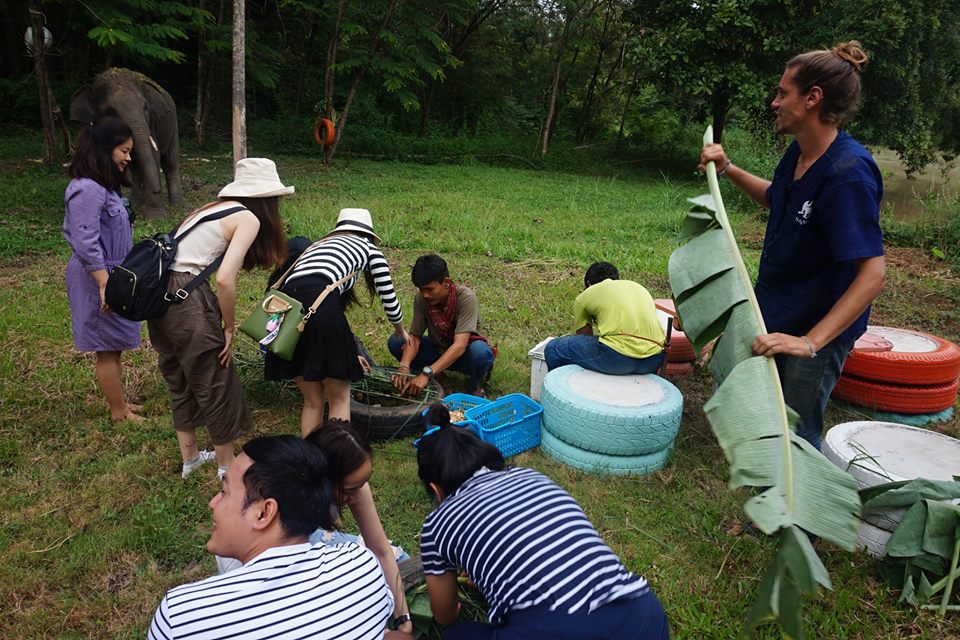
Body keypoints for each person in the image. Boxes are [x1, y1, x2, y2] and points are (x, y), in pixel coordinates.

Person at [698, 41, 885, 450]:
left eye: (783, 93)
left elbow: (873, 272)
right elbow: (777, 198)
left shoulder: (848, 174)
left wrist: (810, 342)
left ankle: (797, 510)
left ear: (812, 98)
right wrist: (728, 169)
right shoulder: (799, 154)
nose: (774, 102)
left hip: (817, 327)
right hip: (779, 308)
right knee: (769, 411)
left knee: (798, 435)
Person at [414, 403, 670, 640]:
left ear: (436, 489)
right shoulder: (530, 476)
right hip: (646, 618)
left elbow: (445, 615)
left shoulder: (437, 524)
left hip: (559, 629)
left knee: (457, 635)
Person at [147, 435, 394, 640]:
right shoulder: (362, 565)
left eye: (223, 492)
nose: (212, 503)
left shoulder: (182, 618)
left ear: (264, 513)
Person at [147, 158, 289, 479]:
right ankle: (227, 467)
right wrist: (228, 327)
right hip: (186, 297)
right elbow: (225, 278)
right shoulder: (248, 218)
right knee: (215, 375)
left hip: (159, 295)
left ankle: (191, 460)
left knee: (180, 376)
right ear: (268, 199)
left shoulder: (209, 208)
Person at [264, 208, 409, 436]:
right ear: (369, 234)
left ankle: (311, 462)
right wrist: (401, 331)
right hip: (318, 311)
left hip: (286, 314)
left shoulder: (317, 246)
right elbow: (389, 300)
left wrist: (347, 351)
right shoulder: (369, 249)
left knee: (313, 401)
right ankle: (337, 462)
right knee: (339, 399)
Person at [63, 115, 143, 423]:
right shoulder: (87, 189)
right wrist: (103, 283)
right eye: (123, 151)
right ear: (103, 150)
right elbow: (85, 241)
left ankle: (120, 402)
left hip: (113, 275)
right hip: (97, 277)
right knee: (106, 347)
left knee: (114, 344)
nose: (128, 158)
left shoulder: (106, 188)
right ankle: (118, 411)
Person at [389, 254, 495, 397]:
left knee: (481, 353)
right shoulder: (422, 298)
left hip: (464, 355)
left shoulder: (466, 298)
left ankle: (474, 386)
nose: (425, 294)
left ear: (446, 282)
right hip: (438, 350)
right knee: (397, 342)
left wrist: (427, 373)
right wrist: (404, 365)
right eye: (421, 289)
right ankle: (437, 376)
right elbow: (414, 337)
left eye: (429, 289)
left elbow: (460, 346)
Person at [544, 261, 665, 375]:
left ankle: (565, 393)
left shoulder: (585, 296)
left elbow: (584, 336)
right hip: (654, 359)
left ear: (589, 283)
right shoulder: (639, 287)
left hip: (617, 359)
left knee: (553, 349)